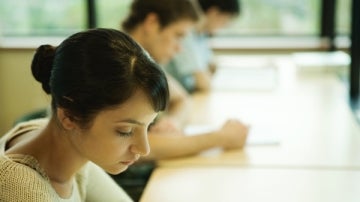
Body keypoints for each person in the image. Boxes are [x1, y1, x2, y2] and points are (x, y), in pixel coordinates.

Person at [0, 28, 169, 201]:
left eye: (149, 125)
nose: (144, 149)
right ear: (69, 116)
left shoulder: (69, 146)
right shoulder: (21, 191)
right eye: (125, 131)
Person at [122, 0, 248, 161]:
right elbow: (134, 147)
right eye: (178, 36)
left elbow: (182, 99)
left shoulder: (142, 62)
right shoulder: (122, 66)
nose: (180, 48)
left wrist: (172, 121)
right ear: (152, 23)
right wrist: (220, 138)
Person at [165, 0, 241, 93]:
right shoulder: (185, 35)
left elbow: (212, 67)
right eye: (225, 20)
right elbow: (203, 83)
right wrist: (205, 75)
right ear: (214, 13)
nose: (224, 26)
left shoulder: (201, 35)